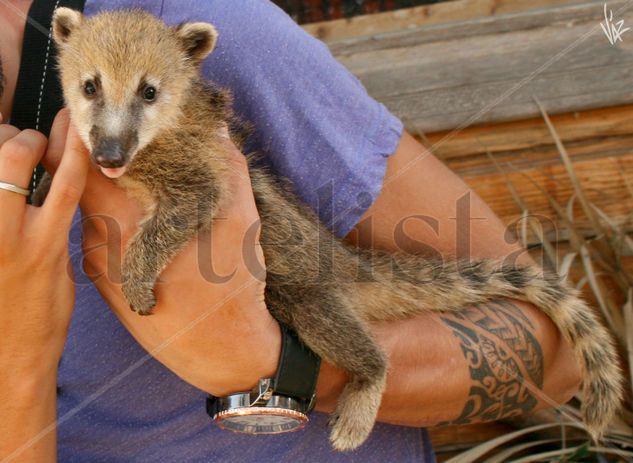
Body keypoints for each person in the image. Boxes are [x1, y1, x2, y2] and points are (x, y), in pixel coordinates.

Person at [0, 0, 581, 461]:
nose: (112, 130)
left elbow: (556, 355)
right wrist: (22, 360)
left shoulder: (215, 29)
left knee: (309, 300)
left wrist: (267, 362)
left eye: (147, 97)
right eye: (93, 93)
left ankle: (366, 373)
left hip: (310, 274)